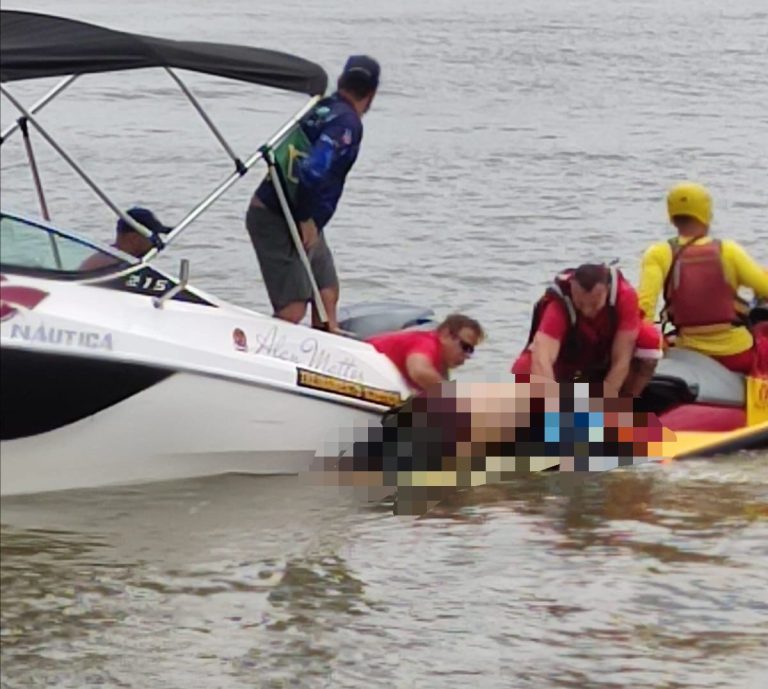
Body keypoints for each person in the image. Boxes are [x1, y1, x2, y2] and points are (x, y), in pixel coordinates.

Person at [245, 55, 381, 333]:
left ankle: (326, 353)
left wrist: (310, 220)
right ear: (372, 93)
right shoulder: (347, 123)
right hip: (277, 215)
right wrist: (306, 218)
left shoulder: (323, 107)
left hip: (300, 213)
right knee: (293, 309)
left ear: (342, 81)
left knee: (326, 293)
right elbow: (312, 171)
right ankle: (266, 359)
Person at [637, 181, 768, 374]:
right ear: (707, 215)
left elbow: (644, 311)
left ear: (671, 217)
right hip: (737, 354)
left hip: (688, 350)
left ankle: (593, 400)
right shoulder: (729, 251)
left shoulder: (658, 254)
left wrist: (657, 342)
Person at [510, 263, 662, 397]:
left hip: (606, 349)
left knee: (649, 338)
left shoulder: (625, 296)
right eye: (581, 304)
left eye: (595, 304)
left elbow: (621, 360)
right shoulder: (559, 305)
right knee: (525, 366)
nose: (587, 311)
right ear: (572, 289)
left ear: (607, 291)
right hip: (570, 353)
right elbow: (541, 360)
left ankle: (627, 403)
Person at [366, 314, 485, 393]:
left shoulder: (440, 366)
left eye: (471, 350)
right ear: (445, 335)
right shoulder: (427, 343)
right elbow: (419, 372)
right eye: (465, 347)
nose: (467, 355)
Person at [79, 207, 171, 271]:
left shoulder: (121, 259)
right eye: (154, 237)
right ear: (134, 239)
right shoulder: (110, 264)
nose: (157, 242)